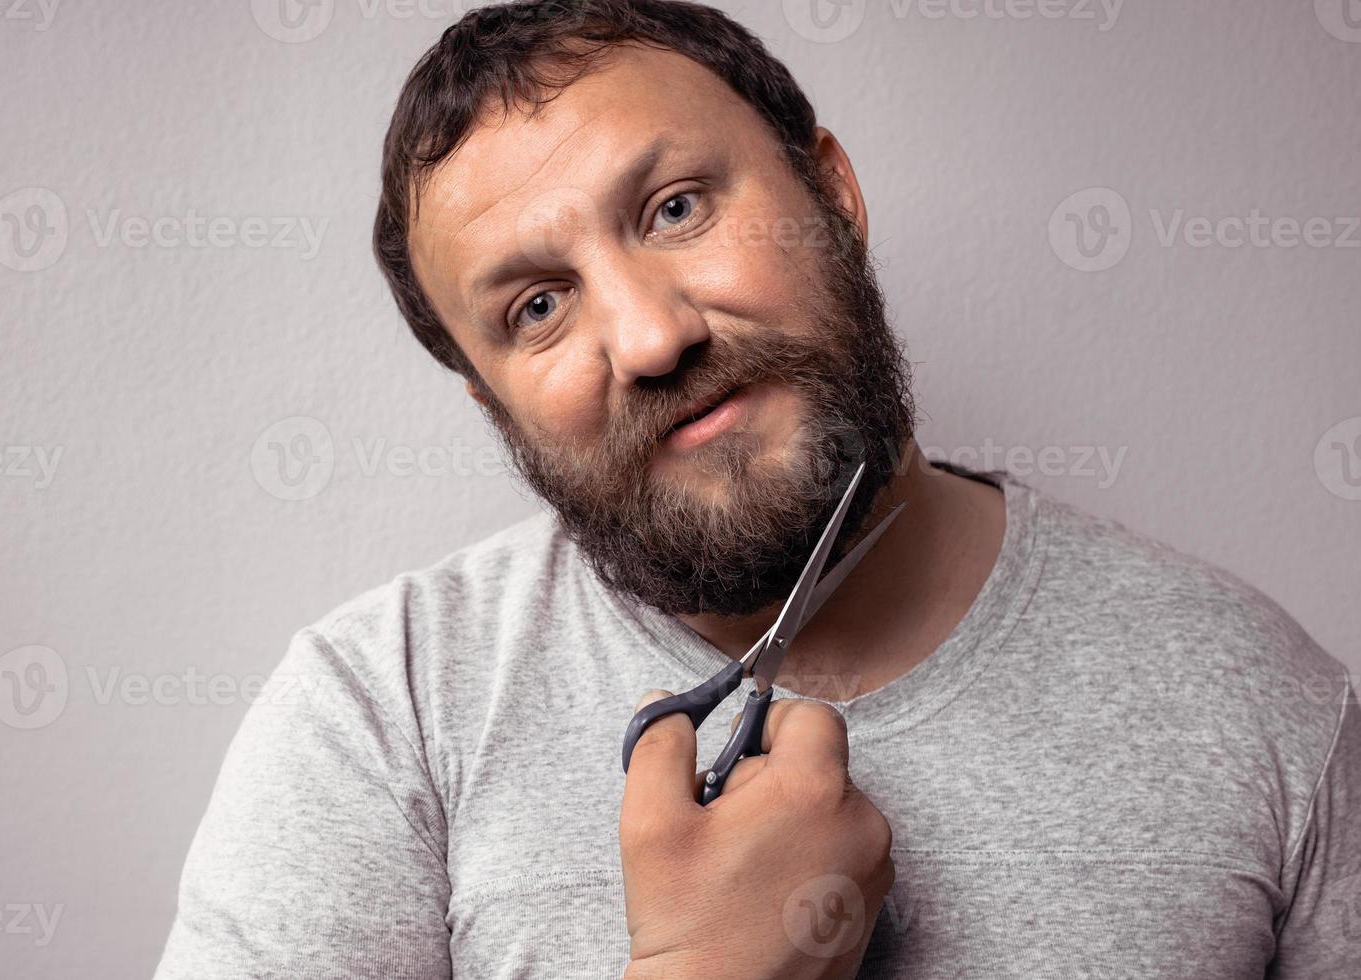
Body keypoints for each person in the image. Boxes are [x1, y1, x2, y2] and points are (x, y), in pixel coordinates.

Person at [153, 2, 1359, 977]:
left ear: (830, 196)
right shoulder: (383, 710)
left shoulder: (1258, 699)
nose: (645, 337)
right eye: (536, 306)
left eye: (676, 209)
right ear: (492, 400)